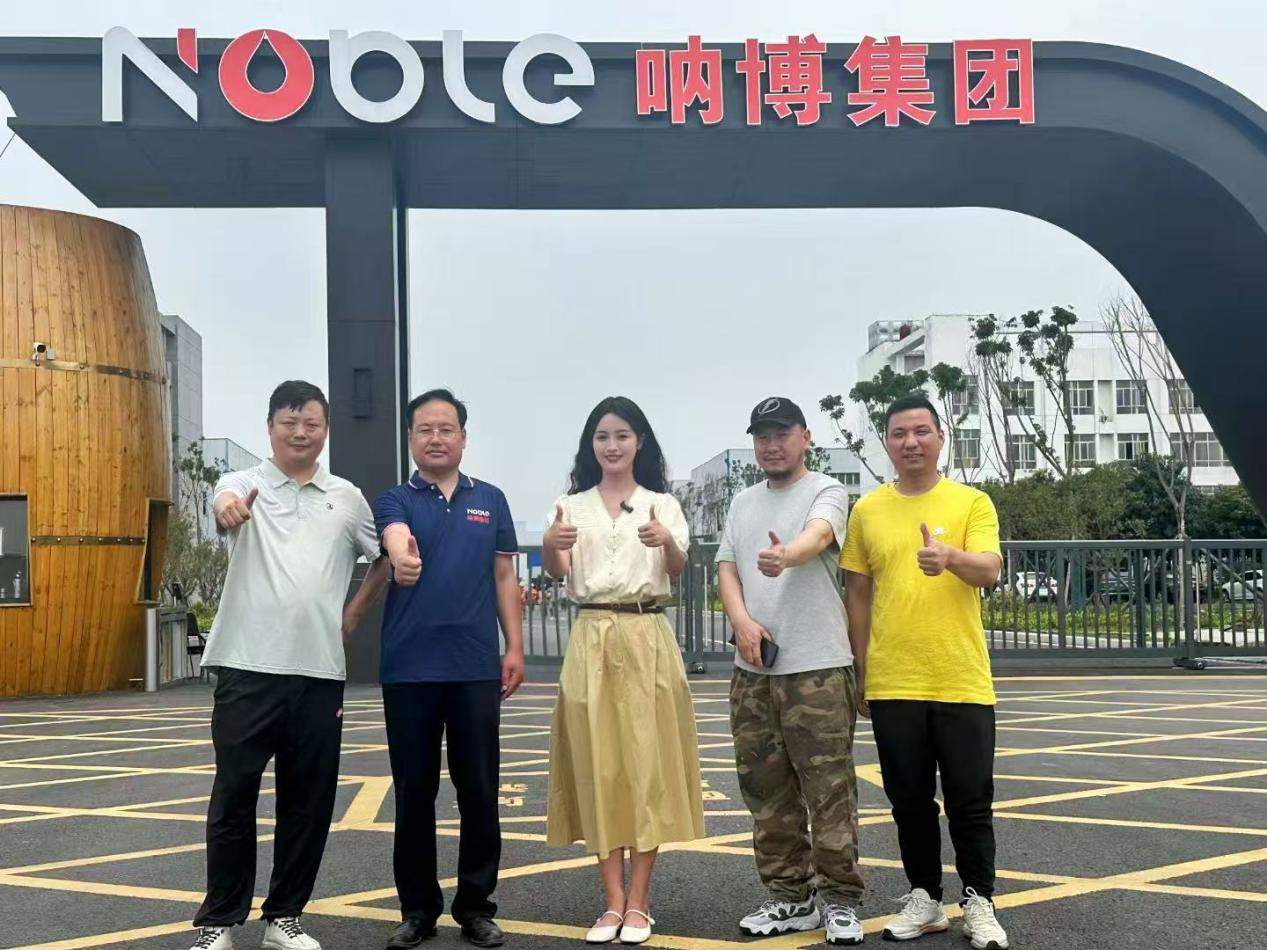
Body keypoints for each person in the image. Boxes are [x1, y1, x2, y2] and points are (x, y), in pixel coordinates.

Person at [187, 380, 389, 950]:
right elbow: (224, 506)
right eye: (289, 422)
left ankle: (284, 918)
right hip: (246, 666)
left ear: (326, 431)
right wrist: (228, 511)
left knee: (308, 803)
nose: (300, 433)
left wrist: (352, 615)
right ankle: (219, 922)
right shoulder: (242, 482)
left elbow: (380, 559)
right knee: (234, 797)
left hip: (318, 673)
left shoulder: (346, 497)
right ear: (271, 427)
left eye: (312, 424)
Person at [841, 394, 1008, 950]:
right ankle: (925, 897)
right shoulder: (867, 511)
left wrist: (950, 558)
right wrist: (861, 666)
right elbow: (858, 593)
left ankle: (979, 901)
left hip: (961, 676)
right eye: (898, 433)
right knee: (908, 800)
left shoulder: (972, 502)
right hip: (894, 678)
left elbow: (990, 569)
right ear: (886, 443)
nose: (910, 442)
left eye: (920, 431)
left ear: (940, 437)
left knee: (970, 800)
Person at [543, 396, 704, 946]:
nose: (611, 446)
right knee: (599, 765)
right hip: (591, 635)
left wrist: (667, 543)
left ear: (640, 443)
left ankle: (640, 902)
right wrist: (551, 546)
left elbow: (676, 569)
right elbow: (558, 571)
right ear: (590, 445)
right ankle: (611, 902)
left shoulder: (662, 504)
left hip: (646, 633)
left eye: (622, 435)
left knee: (645, 766)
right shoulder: (570, 506)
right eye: (602, 436)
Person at [371, 389, 525, 950]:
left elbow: (504, 577)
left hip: (474, 666)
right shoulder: (394, 498)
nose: (436, 438)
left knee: (479, 790)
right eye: (425, 429)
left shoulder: (491, 500)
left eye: (446, 429)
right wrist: (401, 554)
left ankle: (477, 907)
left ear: (463, 437)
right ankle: (417, 910)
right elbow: (393, 537)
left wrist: (514, 647)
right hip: (409, 669)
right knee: (414, 794)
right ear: (411, 438)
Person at [715, 396, 864, 946]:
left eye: (782, 434)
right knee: (766, 789)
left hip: (817, 667)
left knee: (829, 790)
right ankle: (790, 897)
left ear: (805, 437)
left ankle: (840, 900)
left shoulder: (827, 490)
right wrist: (741, 622)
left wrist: (787, 556)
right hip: (753, 670)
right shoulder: (742, 502)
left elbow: (819, 536)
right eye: (762, 436)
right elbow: (727, 568)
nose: (772, 445)